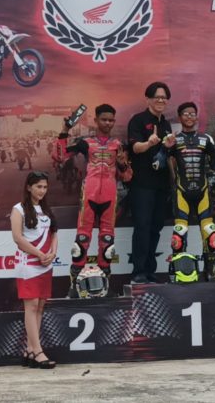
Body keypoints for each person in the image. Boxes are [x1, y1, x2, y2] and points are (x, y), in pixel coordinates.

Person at [57, 104, 132, 296]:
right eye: (104, 119)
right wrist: (65, 130)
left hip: (110, 195)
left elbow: (127, 177)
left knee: (107, 241)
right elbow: (60, 155)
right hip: (89, 194)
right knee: (82, 239)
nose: (108, 123)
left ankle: (105, 286)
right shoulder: (85, 142)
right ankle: (74, 286)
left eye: (111, 120)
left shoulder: (119, 145)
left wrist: (122, 165)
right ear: (96, 120)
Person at [167, 102, 215, 282]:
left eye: (192, 114)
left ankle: (210, 271)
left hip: (202, 192)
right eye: (186, 114)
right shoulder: (174, 139)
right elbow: (159, 163)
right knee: (179, 234)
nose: (189, 117)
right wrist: (164, 148)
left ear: (196, 117)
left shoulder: (206, 139)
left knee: (210, 234)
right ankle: (179, 273)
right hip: (182, 192)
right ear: (180, 117)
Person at [127, 82, 176, 284]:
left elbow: (167, 154)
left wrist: (168, 147)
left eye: (164, 97)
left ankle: (150, 270)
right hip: (142, 184)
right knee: (142, 226)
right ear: (148, 99)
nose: (161, 100)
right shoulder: (138, 120)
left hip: (161, 184)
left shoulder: (166, 124)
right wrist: (149, 143)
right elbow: (135, 147)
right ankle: (138, 271)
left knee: (156, 227)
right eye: (157, 97)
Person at [10, 171, 58, 369]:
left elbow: (54, 233)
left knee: (40, 307)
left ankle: (30, 350)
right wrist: (39, 254)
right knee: (31, 306)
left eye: (45, 187)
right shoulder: (18, 209)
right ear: (29, 187)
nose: (42, 191)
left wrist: (52, 253)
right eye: (38, 186)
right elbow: (18, 238)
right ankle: (38, 352)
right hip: (28, 263)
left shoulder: (46, 210)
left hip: (45, 265)